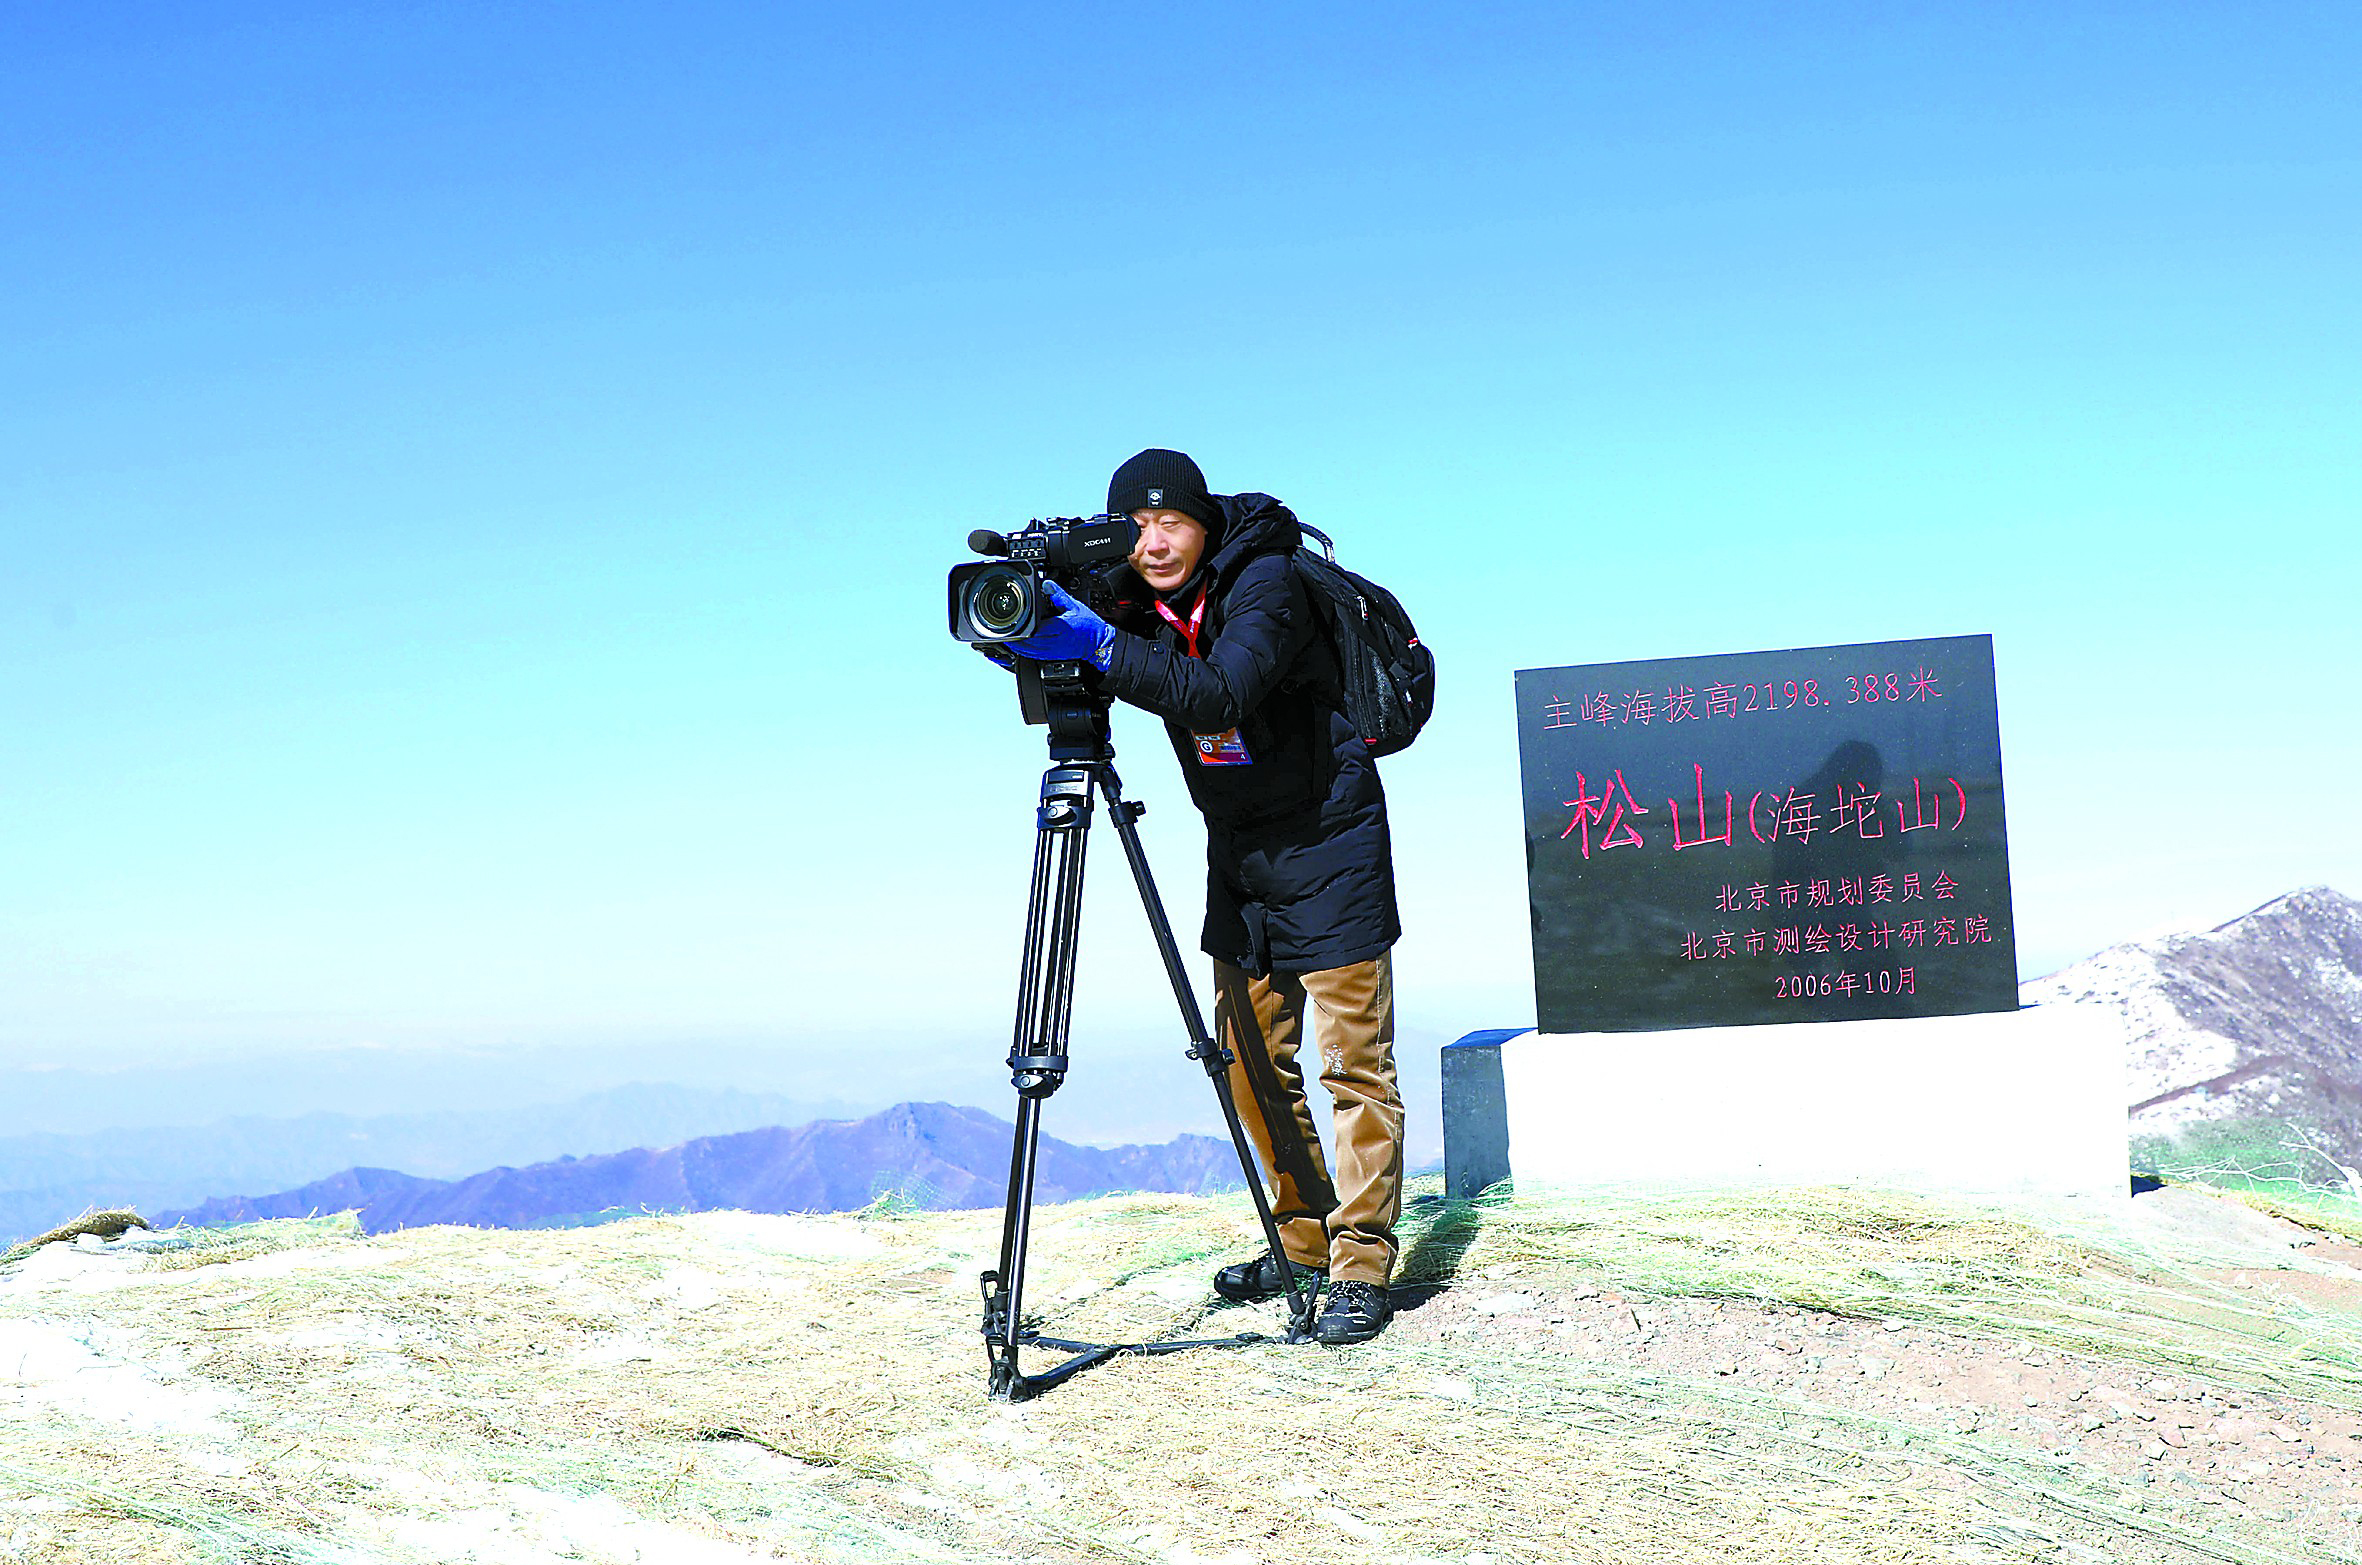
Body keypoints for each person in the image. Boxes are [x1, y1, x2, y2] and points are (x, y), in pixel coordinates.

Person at [1004, 448, 1405, 1345]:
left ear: (1204, 521)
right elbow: (1070, 645)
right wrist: (1026, 626)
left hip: (1329, 841)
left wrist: (1104, 645)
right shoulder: (1132, 594)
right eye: (1135, 529)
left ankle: (1361, 1263)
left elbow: (1220, 687)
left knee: (1352, 1065)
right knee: (1252, 1061)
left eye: (1171, 523)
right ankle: (1301, 1240)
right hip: (1240, 854)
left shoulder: (1267, 583)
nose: (1153, 544)